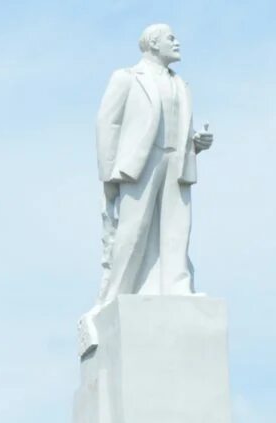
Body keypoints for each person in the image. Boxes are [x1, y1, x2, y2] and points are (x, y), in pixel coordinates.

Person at [92, 23, 216, 307]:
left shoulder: (181, 85)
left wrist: (197, 142)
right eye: (170, 38)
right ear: (153, 43)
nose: (177, 42)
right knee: (133, 229)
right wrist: (109, 173)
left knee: (178, 227)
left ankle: (177, 285)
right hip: (140, 163)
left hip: (177, 160)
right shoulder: (127, 78)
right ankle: (116, 294)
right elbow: (107, 123)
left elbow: (181, 128)